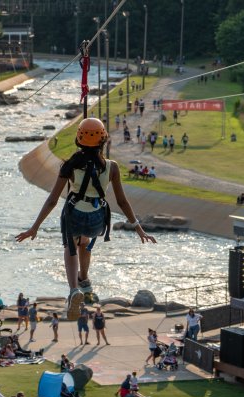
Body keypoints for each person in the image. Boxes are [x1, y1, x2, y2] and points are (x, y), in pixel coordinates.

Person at [16, 117, 156, 320]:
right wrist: (138, 228)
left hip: (74, 214)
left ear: (78, 140)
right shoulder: (112, 167)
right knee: (85, 241)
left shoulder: (70, 165)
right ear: (104, 140)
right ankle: (84, 277)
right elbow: (123, 202)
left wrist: (34, 227)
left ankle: (74, 289)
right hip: (97, 219)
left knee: (70, 246)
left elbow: (52, 200)